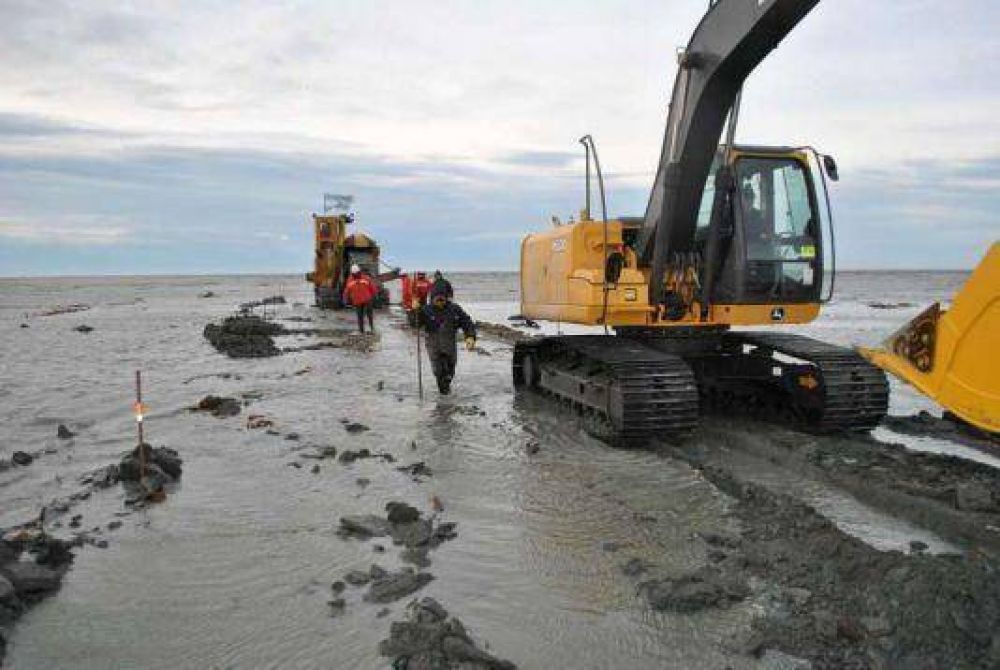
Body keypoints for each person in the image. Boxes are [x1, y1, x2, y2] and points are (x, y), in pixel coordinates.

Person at [418, 283, 476, 395]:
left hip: (449, 342)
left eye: (442, 299)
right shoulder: (425, 310)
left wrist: (470, 336)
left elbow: (467, 322)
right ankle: (444, 399)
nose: (440, 302)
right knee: (438, 371)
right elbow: (415, 324)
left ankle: (446, 392)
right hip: (433, 343)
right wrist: (414, 311)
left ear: (446, 298)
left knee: (450, 370)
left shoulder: (454, 309)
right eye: (437, 299)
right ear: (432, 298)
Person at [342, 264, 377, 333]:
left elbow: (372, 288)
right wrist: (345, 299)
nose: (356, 275)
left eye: (357, 273)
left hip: (367, 300)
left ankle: (372, 328)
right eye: (354, 274)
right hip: (357, 301)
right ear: (352, 274)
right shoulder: (350, 280)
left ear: (359, 272)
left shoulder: (366, 278)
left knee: (369, 315)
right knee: (360, 316)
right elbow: (346, 291)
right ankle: (361, 331)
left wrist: (374, 295)